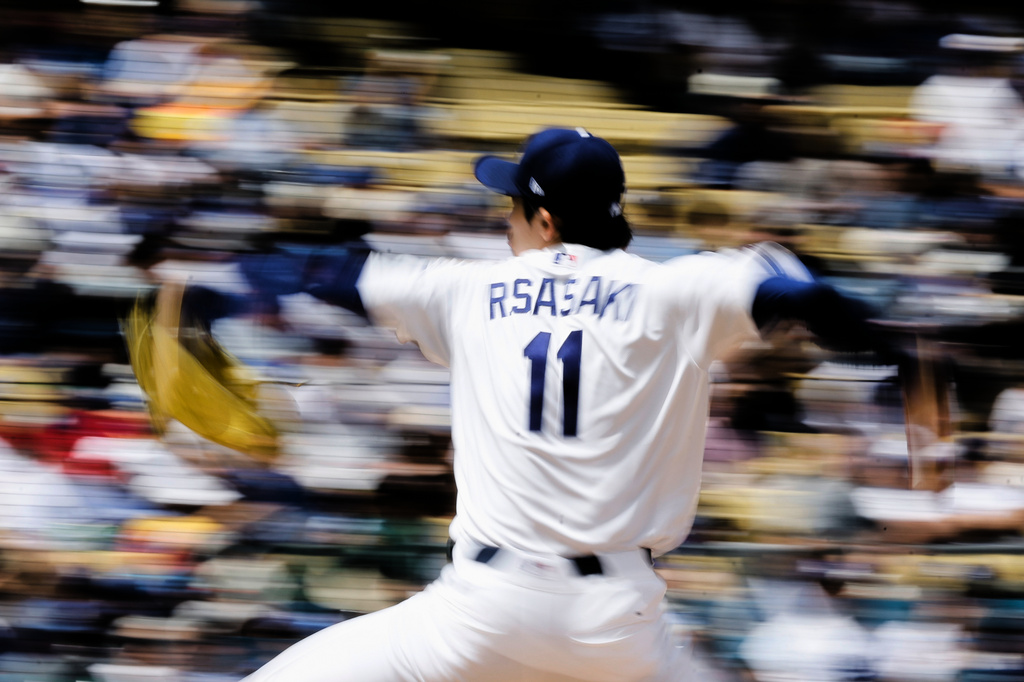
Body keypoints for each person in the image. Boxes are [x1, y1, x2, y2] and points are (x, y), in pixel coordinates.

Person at [217, 127, 877, 681]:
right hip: (617, 630)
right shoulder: (676, 291)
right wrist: (897, 356)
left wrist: (204, 297)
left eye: (510, 206)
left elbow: (323, 272)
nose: (505, 220)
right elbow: (805, 298)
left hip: (477, 615)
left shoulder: (467, 289)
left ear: (545, 219)